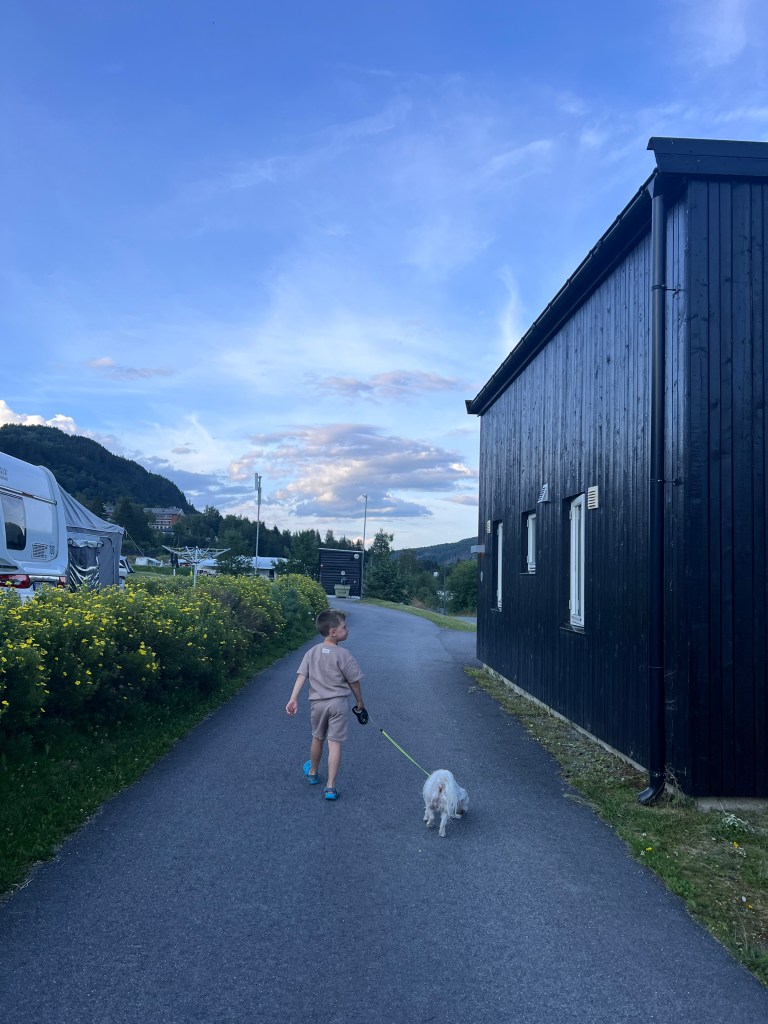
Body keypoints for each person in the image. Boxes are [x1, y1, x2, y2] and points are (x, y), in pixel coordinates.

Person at [285, 609, 365, 801]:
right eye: (344, 627)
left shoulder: (311, 653)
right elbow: (354, 681)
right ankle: (330, 787)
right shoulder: (344, 655)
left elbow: (302, 676)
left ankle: (312, 772)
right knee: (334, 744)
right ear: (333, 632)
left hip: (318, 705)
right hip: (338, 705)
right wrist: (359, 702)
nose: (348, 629)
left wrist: (293, 698)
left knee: (317, 738)